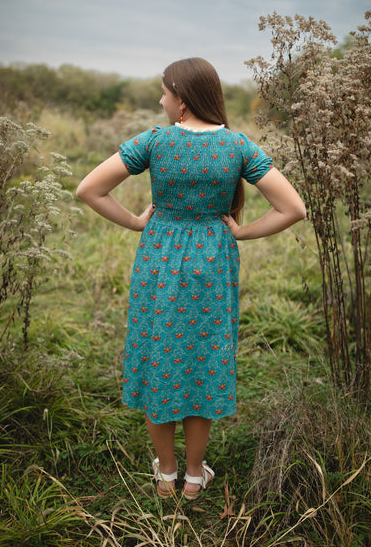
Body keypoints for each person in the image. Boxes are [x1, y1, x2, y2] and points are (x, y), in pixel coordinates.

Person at [76, 57, 306, 500]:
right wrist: (241, 231)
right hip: (214, 263)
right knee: (202, 359)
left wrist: (135, 223)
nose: (161, 100)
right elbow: (293, 209)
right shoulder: (238, 148)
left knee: (159, 353)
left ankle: (166, 474)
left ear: (181, 101)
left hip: (160, 262)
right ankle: (195, 477)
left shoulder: (155, 143)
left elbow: (89, 189)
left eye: (164, 93)